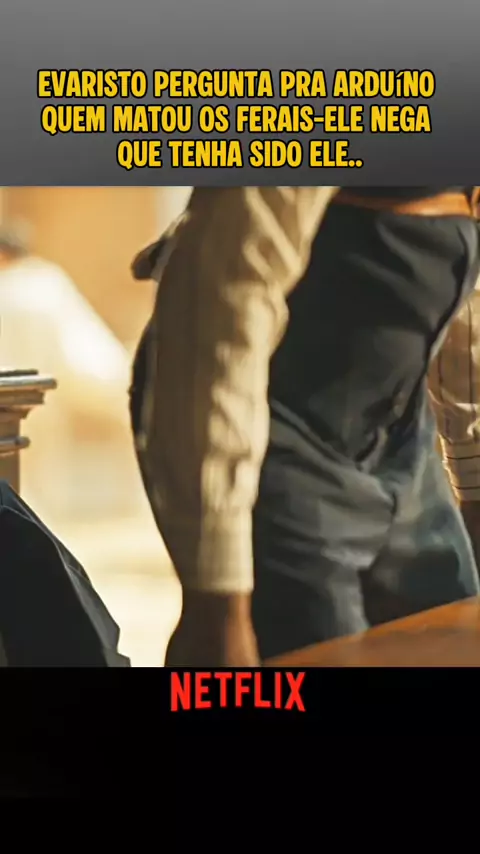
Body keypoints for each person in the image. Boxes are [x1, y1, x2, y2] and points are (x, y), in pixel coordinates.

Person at [130, 187, 480, 666]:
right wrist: (215, 598)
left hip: (394, 434)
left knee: (452, 636)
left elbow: (464, 309)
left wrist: (474, 484)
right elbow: (221, 304)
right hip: (263, 429)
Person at [0, 226, 138, 523]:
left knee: (35, 436)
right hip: (93, 369)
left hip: (76, 373)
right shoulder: (45, 275)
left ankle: (43, 511)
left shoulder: (18, 287)